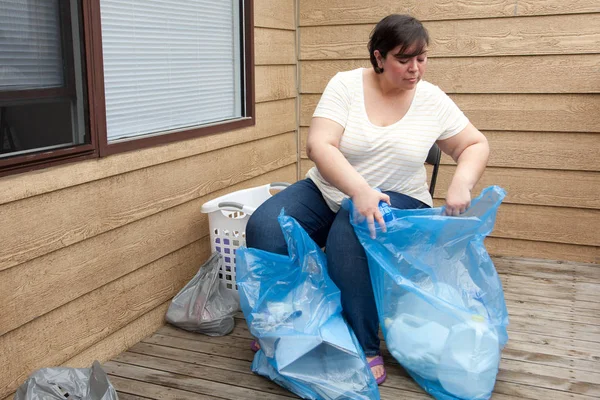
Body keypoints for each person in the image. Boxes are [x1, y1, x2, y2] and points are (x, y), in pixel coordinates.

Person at [245, 14, 489, 385]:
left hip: (400, 201)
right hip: (332, 192)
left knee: (353, 227)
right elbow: (319, 145)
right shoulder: (345, 86)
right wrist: (358, 190)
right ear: (378, 58)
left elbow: (474, 144)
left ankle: (364, 343)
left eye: (421, 58)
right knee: (265, 226)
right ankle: (282, 324)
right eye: (403, 59)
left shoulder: (432, 99)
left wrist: (461, 182)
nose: (415, 69)